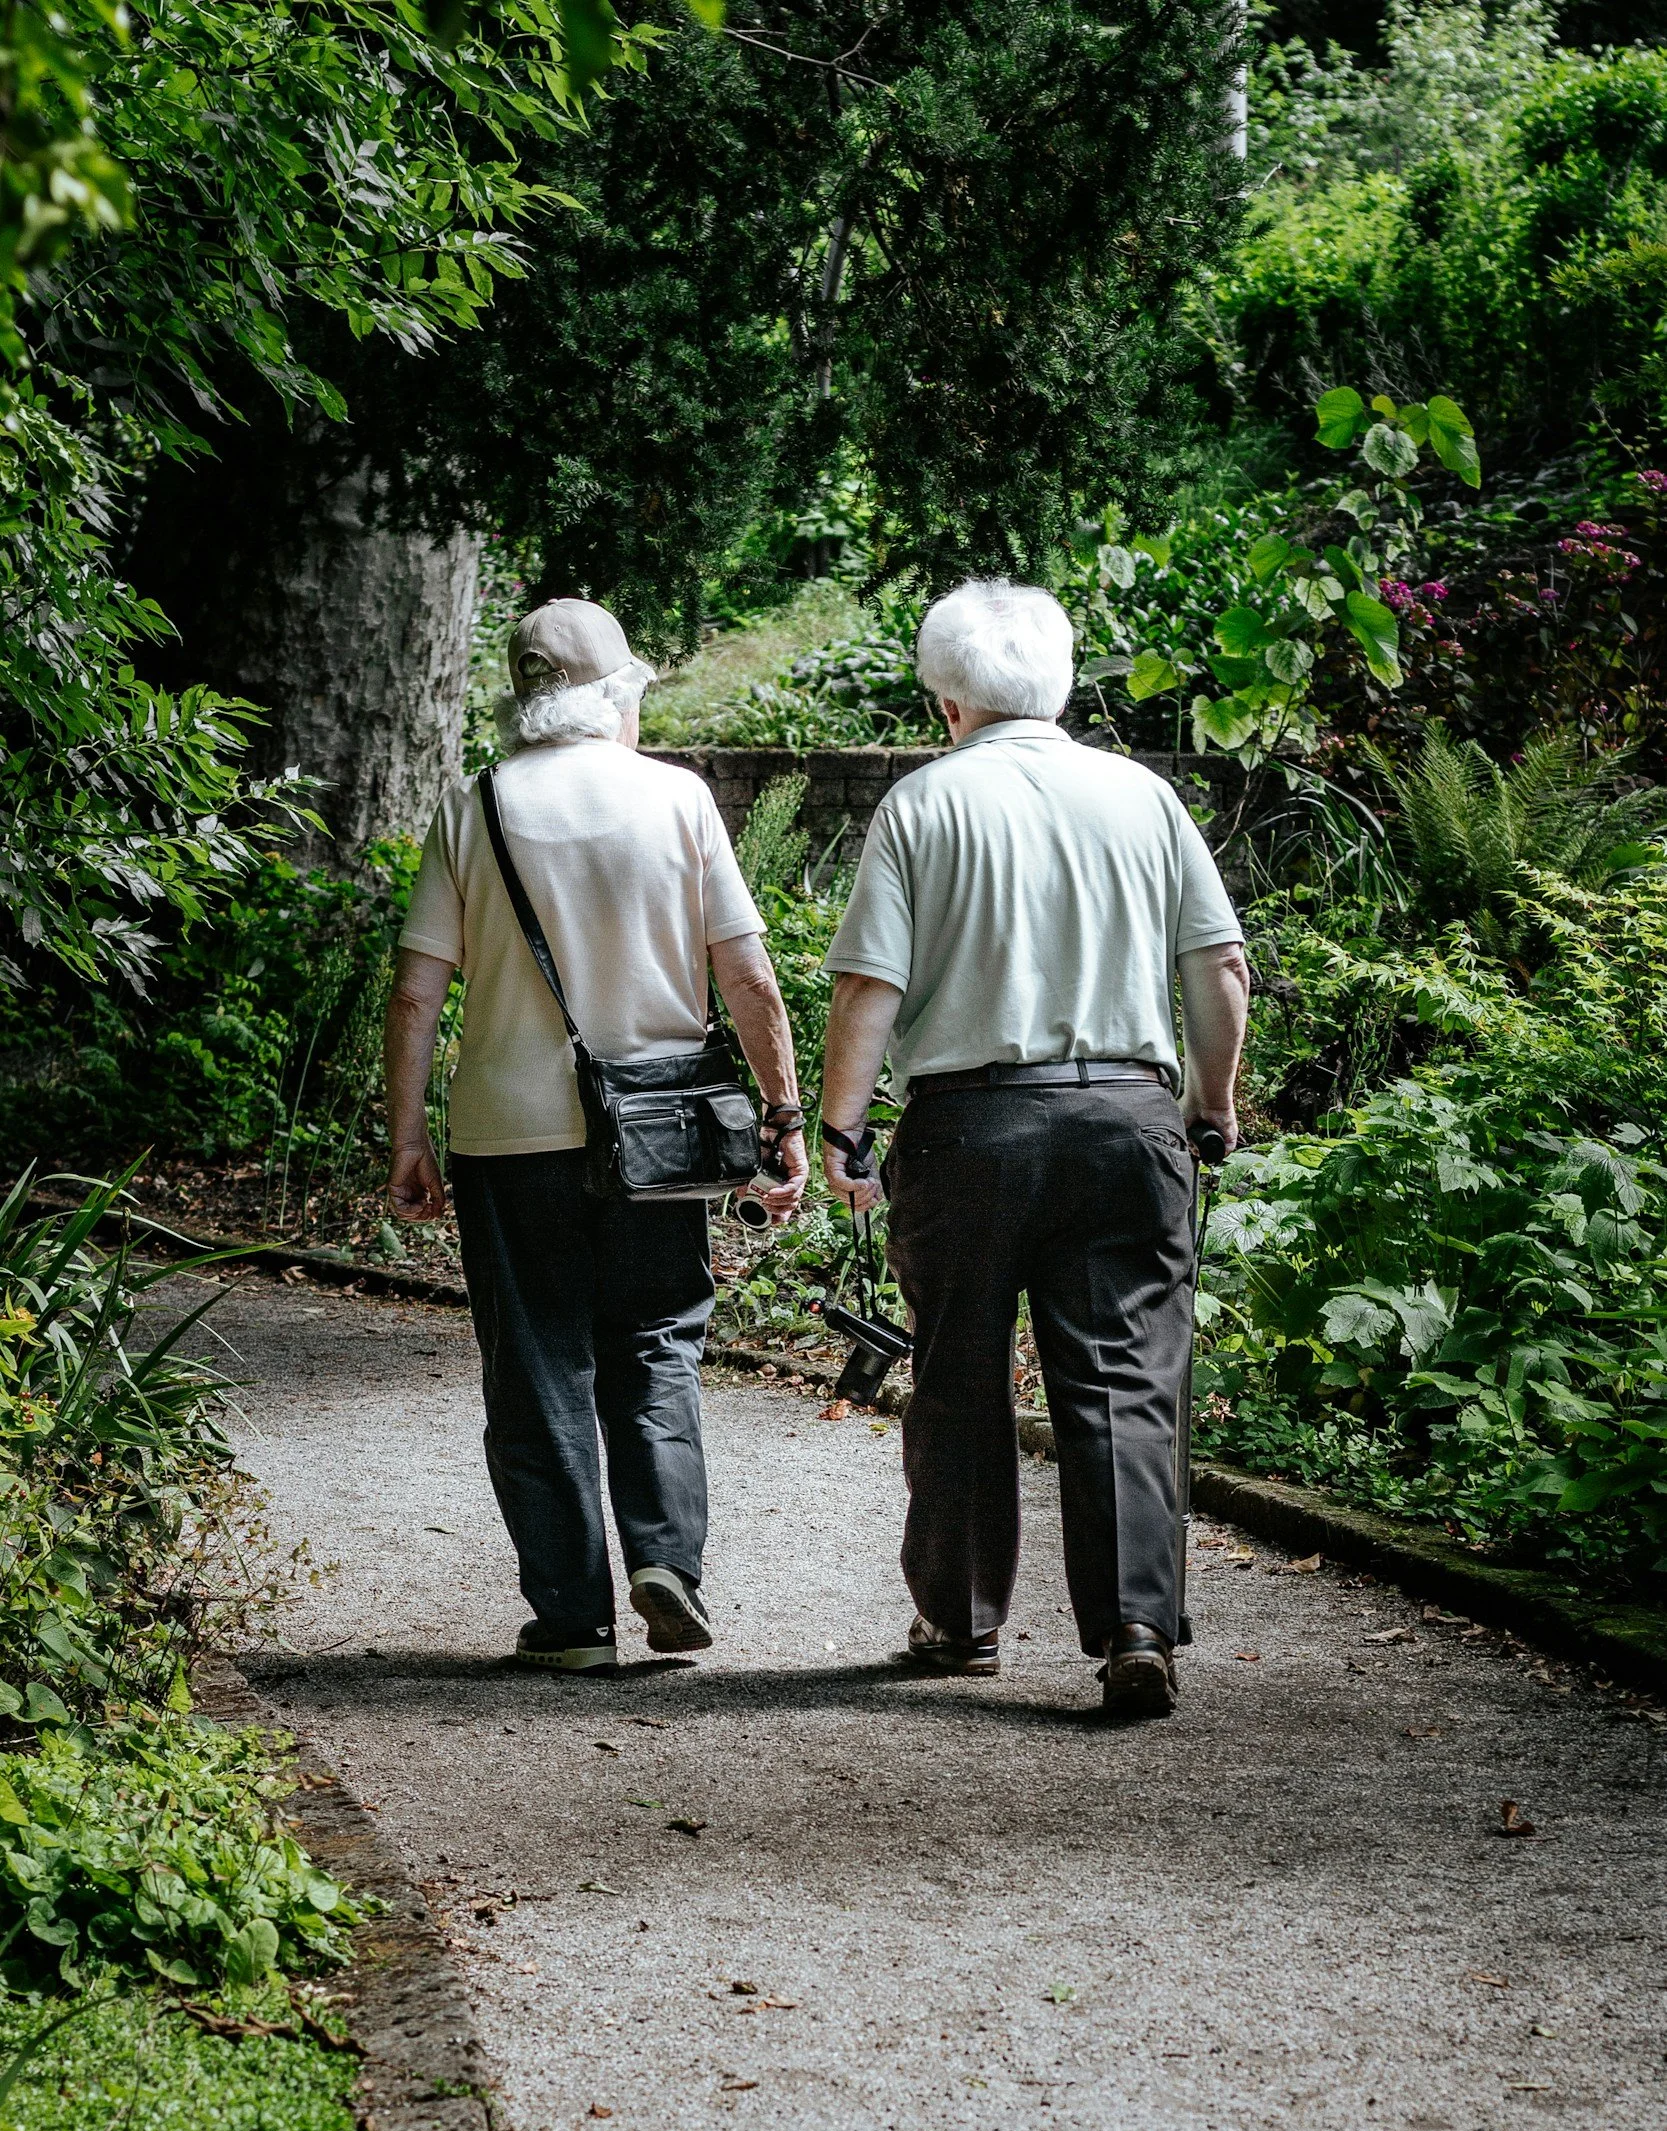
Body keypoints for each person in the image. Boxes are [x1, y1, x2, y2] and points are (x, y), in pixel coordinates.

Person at [819, 578, 1248, 1718]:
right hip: (1123, 1117)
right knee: (1122, 1379)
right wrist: (1212, 1103)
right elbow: (1216, 968)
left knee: (955, 1370)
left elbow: (871, 986)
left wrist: (841, 1128)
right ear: (1059, 683)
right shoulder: (1142, 796)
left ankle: (958, 1623)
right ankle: (1134, 1628)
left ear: (945, 697)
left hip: (968, 1128)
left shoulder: (921, 804)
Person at [384, 596, 808, 1671]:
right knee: (657, 1341)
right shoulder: (677, 798)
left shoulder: (471, 806)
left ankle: (570, 1617)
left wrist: (405, 1135)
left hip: (505, 1136)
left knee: (533, 1365)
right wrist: (783, 1113)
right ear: (616, 691)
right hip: (659, 1134)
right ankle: (666, 1558)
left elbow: (414, 994)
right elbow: (747, 975)